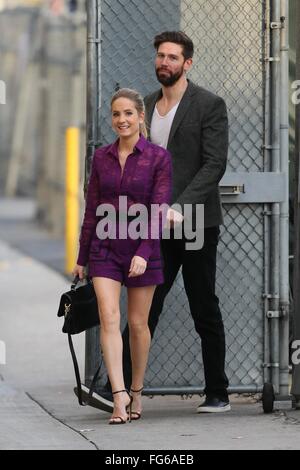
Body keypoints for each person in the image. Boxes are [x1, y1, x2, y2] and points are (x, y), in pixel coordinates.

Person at [90, 30, 230, 415]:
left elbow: (214, 164)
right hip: (148, 226)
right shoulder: (145, 105)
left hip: (195, 220)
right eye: (160, 56)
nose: (163, 62)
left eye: (172, 57)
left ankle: (218, 391)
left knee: (203, 305)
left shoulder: (209, 105)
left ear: (187, 63)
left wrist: (181, 206)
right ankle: (114, 390)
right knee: (146, 307)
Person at [72, 88, 172, 424]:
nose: (121, 120)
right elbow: (91, 210)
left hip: (143, 248)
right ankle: (118, 397)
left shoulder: (159, 158)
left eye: (128, 113)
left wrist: (144, 251)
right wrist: (82, 256)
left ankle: (137, 389)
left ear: (141, 117)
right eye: (116, 114)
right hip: (105, 248)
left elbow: (158, 210)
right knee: (109, 316)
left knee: (138, 324)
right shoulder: (101, 157)